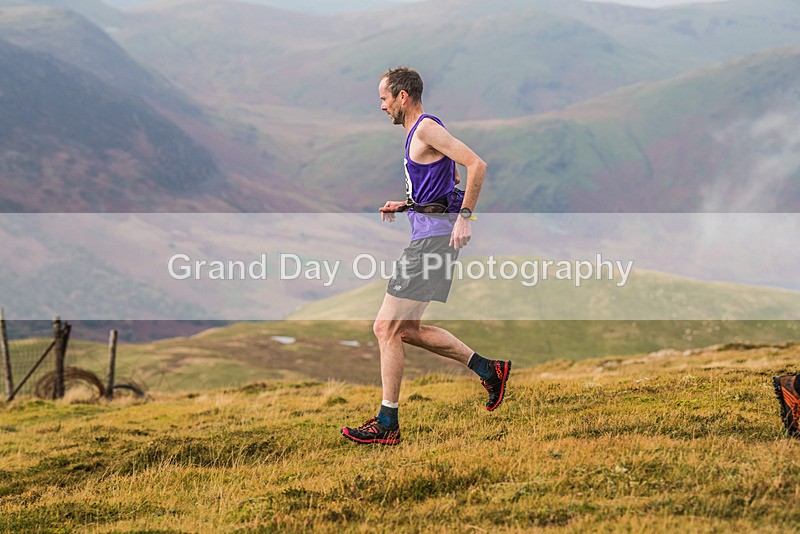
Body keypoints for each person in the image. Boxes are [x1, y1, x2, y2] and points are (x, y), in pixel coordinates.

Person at [341, 66, 512, 446]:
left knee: (385, 329)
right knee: (408, 330)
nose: (381, 106)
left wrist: (464, 219)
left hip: (430, 244)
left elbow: (476, 165)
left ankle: (388, 423)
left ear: (403, 96)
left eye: (384, 98)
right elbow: (441, 185)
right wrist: (406, 204)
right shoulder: (417, 133)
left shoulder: (426, 129)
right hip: (430, 236)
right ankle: (490, 370)